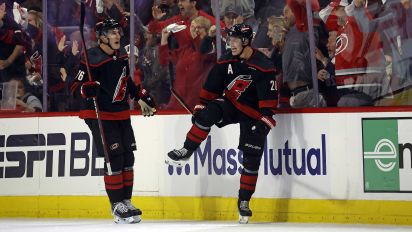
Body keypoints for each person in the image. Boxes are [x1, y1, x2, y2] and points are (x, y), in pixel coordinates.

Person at [165, 23, 277, 224]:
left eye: (234, 40)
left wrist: (263, 124)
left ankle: (243, 201)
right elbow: (211, 88)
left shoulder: (264, 66)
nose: (230, 43)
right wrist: (200, 110)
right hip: (232, 104)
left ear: (245, 41)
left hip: (253, 113)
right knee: (209, 112)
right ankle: (187, 149)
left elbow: (269, 108)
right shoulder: (226, 60)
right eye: (229, 39)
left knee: (252, 158)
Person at [70, 19, 156, 224]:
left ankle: (126, 201)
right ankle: (116, 205)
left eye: (118, 31)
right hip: (99, 114)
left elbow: (127, 83)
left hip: (121, 113)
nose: (117, 35)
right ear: (101, 37)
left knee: (128, 158)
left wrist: (142, 95)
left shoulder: (121, 57)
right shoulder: (91, 58)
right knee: (114, 159)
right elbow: (74, 88)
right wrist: (86, 90)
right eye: (112, 33)